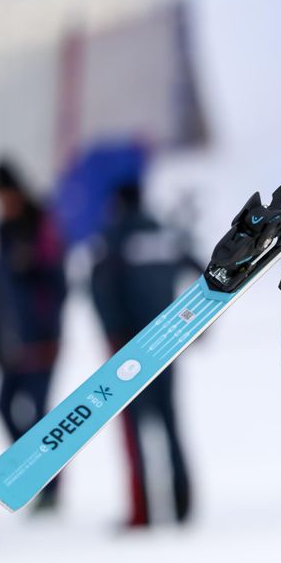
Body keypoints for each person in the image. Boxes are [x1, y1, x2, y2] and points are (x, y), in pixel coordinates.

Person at [90, 181, 199, 527]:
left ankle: (142, 513)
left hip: (130, 351)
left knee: (135, 433)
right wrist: (193, 321)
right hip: (165, 345)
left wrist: (111, 335)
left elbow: (99, 288)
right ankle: (182, 507)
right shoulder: (162, 234)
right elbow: (203, 271)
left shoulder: (114, 237)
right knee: (170, 425)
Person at [0, 159, 68, 511]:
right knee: (5, 406)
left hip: (41, 338)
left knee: (40, 413)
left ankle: (49, 485)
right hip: (12, 339)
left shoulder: (41, 223)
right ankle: (36, 471)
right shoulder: (2, 229)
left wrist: (34, 268)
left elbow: (59, 283)